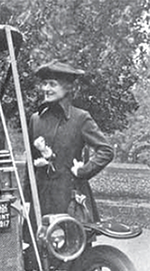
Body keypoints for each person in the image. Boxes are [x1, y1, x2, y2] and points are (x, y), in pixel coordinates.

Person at [25, 60, 114, 223]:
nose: (46, 89)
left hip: (70, 199)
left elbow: (106, 151)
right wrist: (26, 200)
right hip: (40, 200)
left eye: (52, 84)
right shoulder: (35, 119)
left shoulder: (80, 118)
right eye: (44, 84)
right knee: (37, 245)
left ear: (68, 87)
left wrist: (84, 171)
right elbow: (29, 163)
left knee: (74, 246)